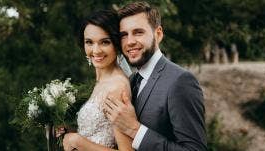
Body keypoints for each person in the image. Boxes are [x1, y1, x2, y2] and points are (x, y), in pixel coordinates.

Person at [104, 1, 207, 151]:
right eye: (124, 35)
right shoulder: (131, 80)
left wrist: (134, 129)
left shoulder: (180, 81)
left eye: (138, 32)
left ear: (158, 34)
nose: (130, 42)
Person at [59, 10, 134, 151]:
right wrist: (68, 132)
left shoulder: (117, 87)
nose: (96, 50)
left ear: (116, 44)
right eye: (89, 42)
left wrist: (78, 141)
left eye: (105, 42)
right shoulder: (102, 79)